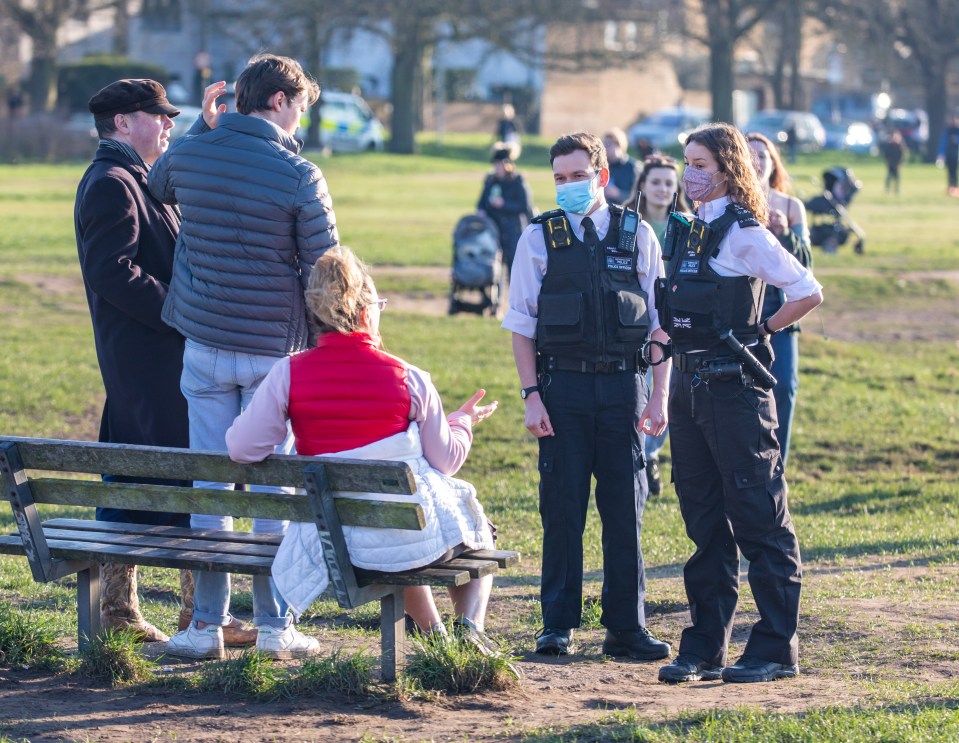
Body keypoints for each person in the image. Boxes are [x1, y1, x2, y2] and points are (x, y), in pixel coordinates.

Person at [149, 54, 339, 660]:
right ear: (280, 101)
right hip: (270, 352)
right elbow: (324, 266)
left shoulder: (193, 151)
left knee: (211, 485)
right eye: (300, 106)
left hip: (203, 343)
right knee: (270, 491)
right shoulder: (299, 174)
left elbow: (159, 185)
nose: (299, 119)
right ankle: (274, 625)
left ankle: (206, 625)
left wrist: (203, 127)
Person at [226, 246, 499, 649]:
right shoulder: (409, 378)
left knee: (385, 529)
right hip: (402, 538)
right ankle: (468, 631)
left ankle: (437, 639)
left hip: (335, 542)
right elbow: (447, 461)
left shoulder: (288, 374)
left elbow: (242, 448)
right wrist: (460, 422)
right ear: (366, 312)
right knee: (474, 532)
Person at [74, 78, 246, 645]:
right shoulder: (111, 183)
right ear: (123, 122)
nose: (169, 124)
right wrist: (181, 311)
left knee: (143, 474)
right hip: (149, 361)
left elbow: (172, 172)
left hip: (150, 362)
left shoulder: (131, 176)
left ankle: (151, 610)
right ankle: (192, 614)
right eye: (160, 116)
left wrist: (203, 123)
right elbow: (111, 271)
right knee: (176, 478)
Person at [656, 123, 822, 685]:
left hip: (737, 392)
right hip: (688, 386)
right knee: (703, 521)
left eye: (701, 163)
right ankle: (705, 647)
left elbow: (806, 289)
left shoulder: (744, 232)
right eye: (687, 162)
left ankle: (775, 648)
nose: (690, 173)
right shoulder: (687, 231)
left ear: (728, 169)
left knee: (757, 518)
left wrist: (761, 333)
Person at [502, 132, 672, 660]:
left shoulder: (636, 232)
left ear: (601, 176)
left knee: (625, 510)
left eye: (577, 176)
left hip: (625, 387)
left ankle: (626, 628)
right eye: (558, 178)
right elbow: (521, 325)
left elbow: (661, 326)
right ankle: (557, 625)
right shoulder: (538, 238)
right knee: (563, 509)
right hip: (562, 389)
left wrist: (658, 397)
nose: (568, 186)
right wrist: (532, 396)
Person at [746, 133, 813, 465]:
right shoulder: (730, 202)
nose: (756, 160)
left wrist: (785, 233)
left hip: (782, 311)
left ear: (773, 164)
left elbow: (807, 263)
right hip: (742, 311)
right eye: (749, 154)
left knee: (784, 387)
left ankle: (777, 466)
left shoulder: (790, 206)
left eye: (763, 155)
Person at [627, 155, 691, 495]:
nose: (663, 189)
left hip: (679, 323)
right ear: (642, 186)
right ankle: (641, 454)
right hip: (640, 322)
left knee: (668, 391)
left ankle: (650, 452)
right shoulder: (625, 224)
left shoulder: (687, 224)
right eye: (656, 182)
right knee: (644, 386)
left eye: (669, 183)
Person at [476, 141, 534, 274]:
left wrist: (504, 204)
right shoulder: (490, 181)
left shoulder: (517, 181)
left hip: (512, 230)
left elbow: (525, 206)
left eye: (499, 164)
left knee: (514, 266)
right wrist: (481, 211)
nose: (496, 168)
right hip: (493, 228)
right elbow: (482, 202)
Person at [602, 128, 640, 206]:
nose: (605, 148)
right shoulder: (601, 167)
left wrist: (618, 194)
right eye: (604, 144)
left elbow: (639, 198)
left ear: (619, 145)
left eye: (609, 144)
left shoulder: (633, 168)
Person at [936, 112, 959, 198]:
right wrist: (941, 154)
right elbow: (943, 143)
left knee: (954, 172)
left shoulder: (957, 130)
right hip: (948, 155)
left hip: (956, 155)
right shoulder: (947, 131)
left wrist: (956, 140)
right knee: (949, 172)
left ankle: (955, 187)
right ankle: (950, 187)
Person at [881, 130, 907, 195]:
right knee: (889, 177)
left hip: (897, 164)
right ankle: (887, 189)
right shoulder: (889, 146)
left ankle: (896, 189)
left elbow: (902, 156)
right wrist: (888, 161)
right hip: (891, 164)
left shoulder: (900, 146)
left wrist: (900, 163)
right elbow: (886, 155)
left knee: (897, 177)